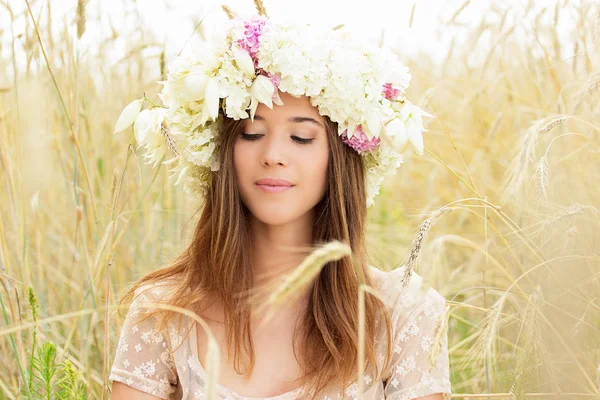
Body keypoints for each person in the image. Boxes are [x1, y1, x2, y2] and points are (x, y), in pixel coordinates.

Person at [109, 14, 451, 400]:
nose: (273, 155)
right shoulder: (164, 310)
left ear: (340, 158)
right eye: (251, 133)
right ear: (223, 152)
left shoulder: (402, 314)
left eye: (301, 137)